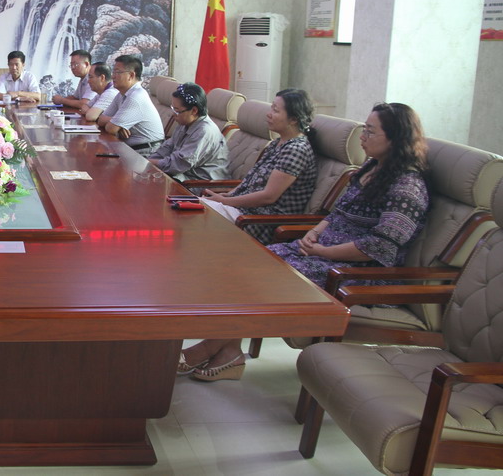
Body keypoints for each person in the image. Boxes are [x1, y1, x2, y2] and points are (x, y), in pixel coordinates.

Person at [179, 102, 429, 383]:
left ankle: (208, 349)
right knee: (247, 267)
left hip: (358, 271)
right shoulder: (371, 168)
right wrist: (315, 232)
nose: (363, 136)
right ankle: (230, 352)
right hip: (320, 251)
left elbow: (380, 247)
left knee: (260, 278)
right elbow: (337, 213)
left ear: (396, 138)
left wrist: (325, 251)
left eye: (370, 131)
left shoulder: (407, 187)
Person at [201, 88, 319, 244]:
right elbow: (251, 180)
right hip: (243, 210)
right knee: (184, 207)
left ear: (293, 119)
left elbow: (268, 196)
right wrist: (228, 195)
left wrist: (224, 202)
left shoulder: (296, 150)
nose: (269, 114)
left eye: (275, 110)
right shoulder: (277, 143)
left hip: (258, 221)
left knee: (193, 215)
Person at [148, 82, 229, 182]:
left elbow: (178, 164)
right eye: (172, 108)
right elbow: (167, 148)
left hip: (199, 183)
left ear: (194, 111)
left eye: (177, 110)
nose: (173, 114)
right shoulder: (185, 122)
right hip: (181, 175)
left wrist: (149, 163)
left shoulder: (204, 131)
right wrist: (146, 161)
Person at [96, 55, 164, 154]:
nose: (113, 76)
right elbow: (101, 120)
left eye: (118, 72)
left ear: (131, 75)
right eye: (113, 72)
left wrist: (117, 124)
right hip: (131, 147)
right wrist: (118, 123)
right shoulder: (121, 94)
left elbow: (110, 128)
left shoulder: (136, 96)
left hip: (146, 151)